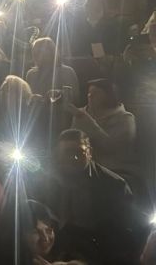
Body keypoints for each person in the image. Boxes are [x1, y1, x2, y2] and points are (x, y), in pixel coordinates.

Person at [37, 129, 137, 263]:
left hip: (97, 251)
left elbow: (124, 233)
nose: (73, 158)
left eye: (78, 152)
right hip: (54, 246)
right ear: (58, 155)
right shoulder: (47, 180)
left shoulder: (115, 186)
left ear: (90, 153)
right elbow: (37, 214)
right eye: (67, 153)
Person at [66, 78, 137, 182]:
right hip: (82, 168)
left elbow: (113, 147)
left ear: (108, 96)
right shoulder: (80, 114)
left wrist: (87, 121)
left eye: (95, 93)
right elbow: (72, 140)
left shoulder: (125, 118)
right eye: (89, 93)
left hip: (115, 171)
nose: (90, 96)